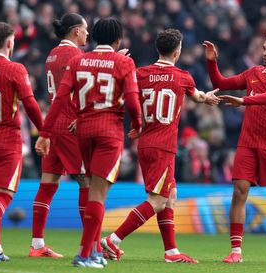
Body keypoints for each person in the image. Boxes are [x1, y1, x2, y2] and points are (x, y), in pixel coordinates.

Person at [101, 29, 219, 263]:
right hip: (163, 146)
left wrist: (117, 58)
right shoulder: (183, 76)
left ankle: (171, 251)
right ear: (177, 52)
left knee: (170, 195)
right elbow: (197, 97)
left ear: (158, 49)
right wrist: (210, 97)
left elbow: (122, 92)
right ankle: (113, 240)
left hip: (145, 143)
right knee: (157, 200)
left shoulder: (141, 73)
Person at [35, 17, 142, 268]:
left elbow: (61, 99)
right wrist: (137, 125)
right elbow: (133, 101)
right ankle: (87, 253)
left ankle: (88, 252)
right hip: (108, 132)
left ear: (93, 36)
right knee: (97, 194)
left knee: (90, 189)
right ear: (117, 40)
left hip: (82, 131)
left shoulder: (77, 60)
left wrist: (44, 132)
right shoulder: (124, 62)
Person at [203, 32, 266, 264]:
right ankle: (236, 250)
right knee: (239, 191)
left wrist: (243, 101)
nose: (264, 53)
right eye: (264, 49)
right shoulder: (253, 73)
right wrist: (211, 61)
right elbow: (220, 84)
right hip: (248, 143)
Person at [0, 22, 43, 262]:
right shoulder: (15, 69)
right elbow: (31, 104)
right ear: (10, 42)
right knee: (4, 196)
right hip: (7, 140)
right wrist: (44, 131)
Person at [29, 13, 89, 259]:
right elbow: (77, 91)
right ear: (75, 31)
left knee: (48, 182)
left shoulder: (52, 54)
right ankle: (91, 245)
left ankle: (37, 244)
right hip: (71, 124)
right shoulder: (76, 55)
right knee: (86, 182)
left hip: (53, 123)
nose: (87, 34)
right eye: (85, 29)